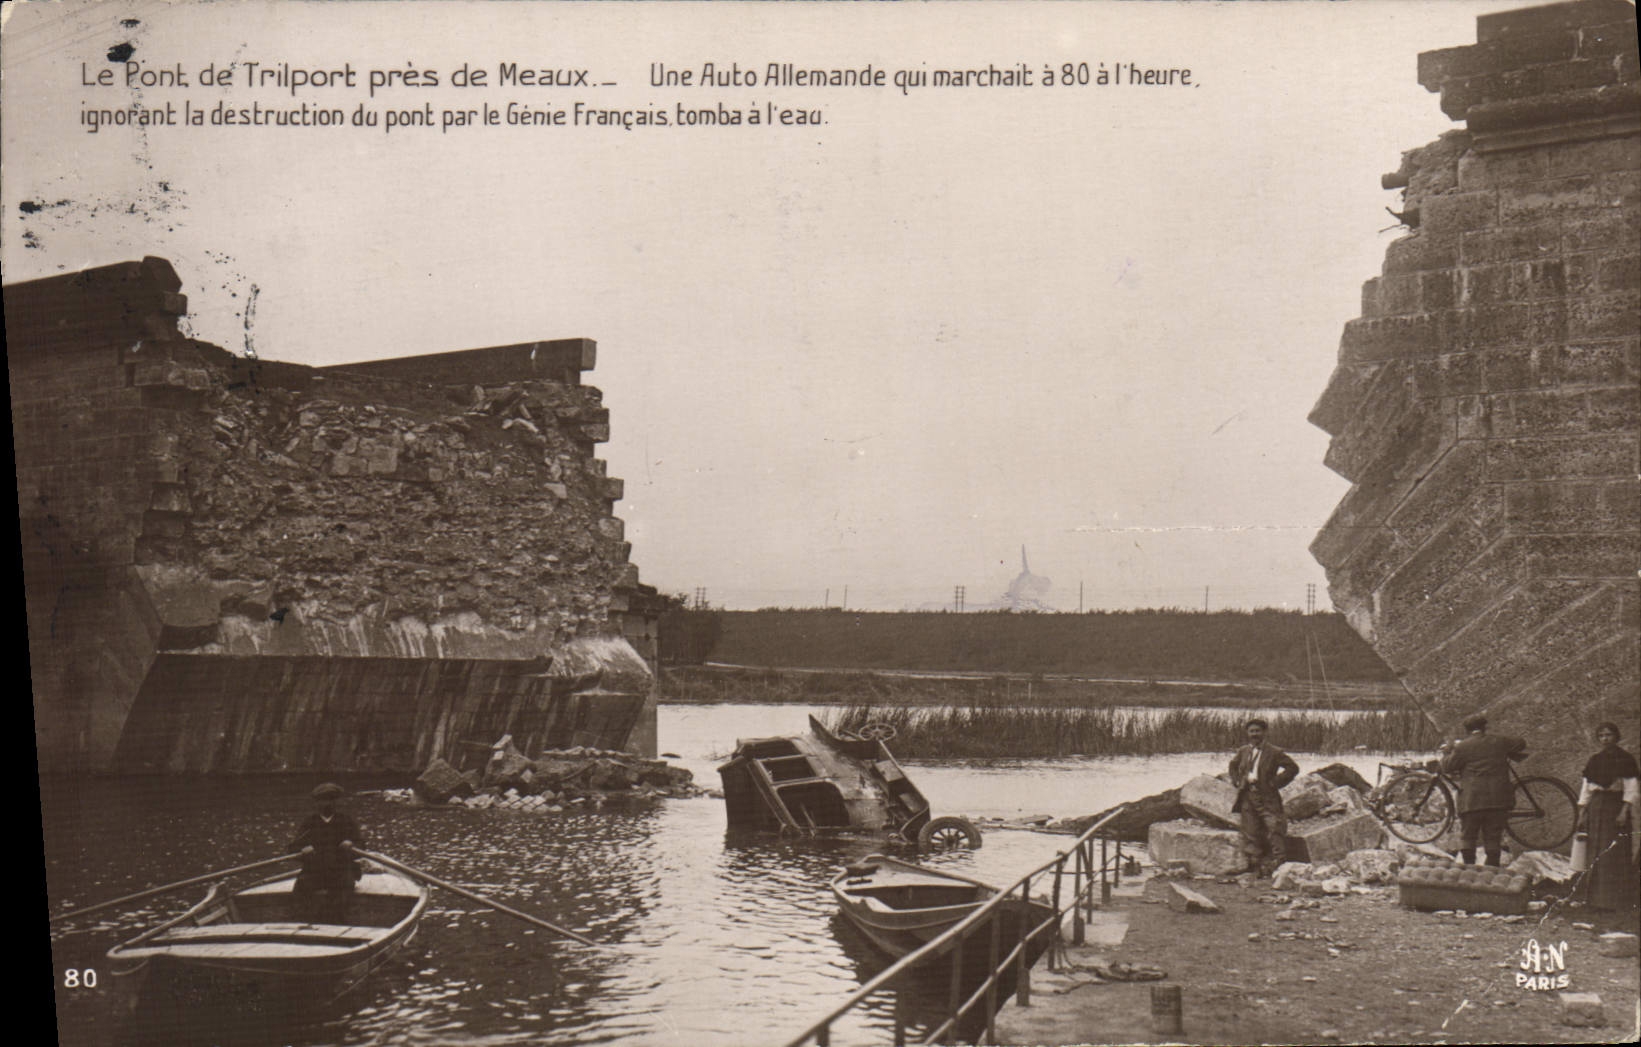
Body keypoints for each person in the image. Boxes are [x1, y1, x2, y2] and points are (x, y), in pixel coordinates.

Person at [1438, 714, 1526, 867]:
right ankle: (1492, 870)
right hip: (1498, 800)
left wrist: (1447, 751)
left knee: (1468, 836)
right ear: (1485, 727)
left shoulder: (1462, 746)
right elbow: (1521, 743)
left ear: (1467, 730)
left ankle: (1469, 869)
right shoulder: (1499, 741)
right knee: (1493, 837)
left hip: (1472, 800)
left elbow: (1447, 767)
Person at [1574, 722, 1638, 915]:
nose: (1605, 739)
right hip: (1595, 808)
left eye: (1608, 735)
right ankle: (1594, 900)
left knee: (1613, 853)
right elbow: (1586, 789)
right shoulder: (1595, 760)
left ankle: (1613, 901)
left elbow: (1631, 788)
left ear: (1616, 737)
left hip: (1614, 807)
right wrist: (1582, 813)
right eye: (1601, 735)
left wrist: (1624, 811)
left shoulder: (1625, 759)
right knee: (1594, 852)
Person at [1228, 719, 1299, 877]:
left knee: (1274, 827)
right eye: (1251, 731)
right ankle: (1255, 866)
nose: (1254, 734)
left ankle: (1279, 864)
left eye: (1257, 731)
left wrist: (1275, 783)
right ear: (1247, 733)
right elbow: (1233, 766)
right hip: (1247, 796)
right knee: (1250, 830)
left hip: (1267, 796)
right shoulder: (1243, 751)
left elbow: (1293, 768)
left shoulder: (1275, 752)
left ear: (1265, 732)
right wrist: (1237, 781)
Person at [291, 782, 364, 922]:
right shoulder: (309, 822)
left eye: (331, 800)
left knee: (343, 888)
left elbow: (361, 846)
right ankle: (303, 922)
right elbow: (293, 848)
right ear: (317, 803)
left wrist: (351, 844)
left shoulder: (346, 820)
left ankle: (336, 922)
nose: (327, 804)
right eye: (323, 800)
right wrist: (302, 849)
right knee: (301, 885)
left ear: (336, 802)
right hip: (316, 871)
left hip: (341, 870)